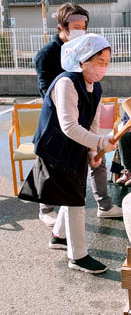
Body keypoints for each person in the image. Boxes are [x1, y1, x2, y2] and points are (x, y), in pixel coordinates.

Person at [19, 34, 117, 273]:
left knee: (71, 193)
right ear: (83, 60)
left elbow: (92, 122)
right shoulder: (66, 82)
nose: (103, 66)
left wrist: (94, 150)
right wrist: (101, 140)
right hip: (54, 148)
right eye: (99, 61)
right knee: (75, 199)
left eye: (107, 61)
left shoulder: (95, 86)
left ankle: (58, 236)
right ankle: (78, 256)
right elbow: (69, 126)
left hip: (74, 146)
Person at [34, 3, 122, 226]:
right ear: (62, 27)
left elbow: (91, 102)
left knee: (95, 160)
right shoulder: (47, 55)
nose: (80, 30)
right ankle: (46, 209)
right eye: (75, 26)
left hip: (79, 121)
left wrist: (94, 143)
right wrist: (69, 103)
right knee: (53, 170)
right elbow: (47, 92)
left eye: (83, 26)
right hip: (57, 123)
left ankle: (104, 205)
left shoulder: (87, 51)